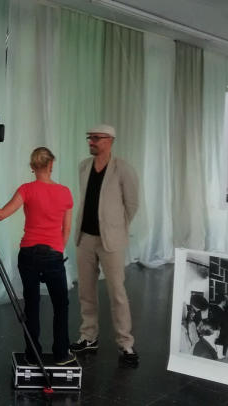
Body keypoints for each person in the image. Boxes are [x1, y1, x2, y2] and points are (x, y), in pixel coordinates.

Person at [0, 147, 76, 365]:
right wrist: (57, 252)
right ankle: (61, 353)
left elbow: (1, 214)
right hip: (53, 255)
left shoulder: (26, 189)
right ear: (51, 165)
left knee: (31, 305)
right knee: (61, 305)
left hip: (28, 254)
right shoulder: (65, 192)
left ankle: (33, 355)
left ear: (32, 167)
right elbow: (66, 230)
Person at [68, 124, 140, 368]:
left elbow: (132, 204)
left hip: (112, 240)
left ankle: (126, 342)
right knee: (85, 291)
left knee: (117, 292)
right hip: (85, 238)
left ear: (109, 140)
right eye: (89, 138)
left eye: (96, 138)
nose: (91, 141)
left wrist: (117, 227)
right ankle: (88, 336)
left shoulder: (123, 169)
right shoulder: (83, 167)